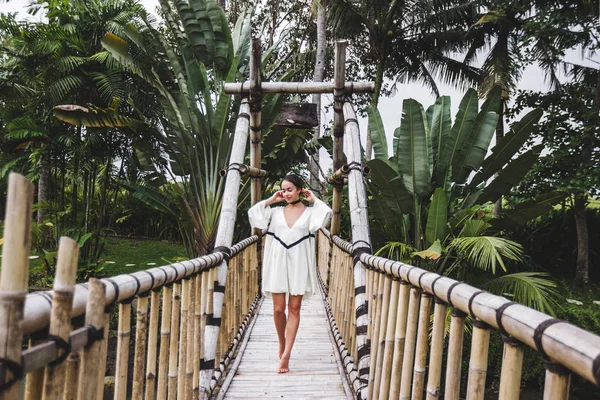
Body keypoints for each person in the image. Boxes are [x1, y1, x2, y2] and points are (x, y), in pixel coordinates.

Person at [248, 173, 332, 374]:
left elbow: (327, 214)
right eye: (283, 189)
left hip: (299, 263)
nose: (285, 193)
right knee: (278, 309)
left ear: (300, 190)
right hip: (277, 263)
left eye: (289, 189)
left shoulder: (311, 213)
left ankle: (286, 355)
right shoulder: (274, 213)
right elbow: (253, 213)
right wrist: (271, 199)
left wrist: (314, 199)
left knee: (294, 309)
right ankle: (281, 342)